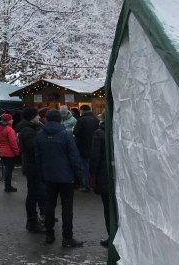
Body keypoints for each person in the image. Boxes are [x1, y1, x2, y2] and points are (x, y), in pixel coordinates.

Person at [35, 109, 83, 247]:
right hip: (66, 177)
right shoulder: (66, 135)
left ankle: (49, 235)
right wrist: (78, 176)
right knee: (67, 208)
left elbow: (38, 158)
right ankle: (67, 238)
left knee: (49, 206)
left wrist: (42, 175)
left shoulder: (40, 135)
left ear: (46, 119)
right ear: (59, 119)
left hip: (49, 177)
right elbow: (74, 158)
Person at [17, 106, 46, 233]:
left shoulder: (33, 128)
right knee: (33, 194)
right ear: (32, 117)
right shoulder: (27, 131)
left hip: (35, 166)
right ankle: (32, 222)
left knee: (38, 193)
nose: (39, 117)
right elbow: (34, 147)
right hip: (32, 166)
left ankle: (39, 217)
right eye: (37, 115)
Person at [89, 113, 110, 248]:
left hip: (104, 175)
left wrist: (92, 173)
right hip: (119, 176)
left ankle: (111, 235)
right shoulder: (119, 130)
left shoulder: (99, 133)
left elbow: (95, 157)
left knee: (108, 208)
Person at [73, 104, 100, 191]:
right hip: (95, 147)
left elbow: (76, 132)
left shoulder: (81, 120)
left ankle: (87, 185)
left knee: (85, 167)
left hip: (83, 147)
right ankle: (94, 184)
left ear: (81, 111)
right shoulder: (96, 119)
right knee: (94, 166)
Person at [0, 113, 20, 192]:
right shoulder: (9, 130)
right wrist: (17, 152)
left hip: (1, 152)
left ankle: (7, 186)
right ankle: (8, 187)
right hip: (9, 153)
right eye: (11, 119)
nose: (13, 120)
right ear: (8, 121)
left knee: (7, 169)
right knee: (9, 170)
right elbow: (13, 142)